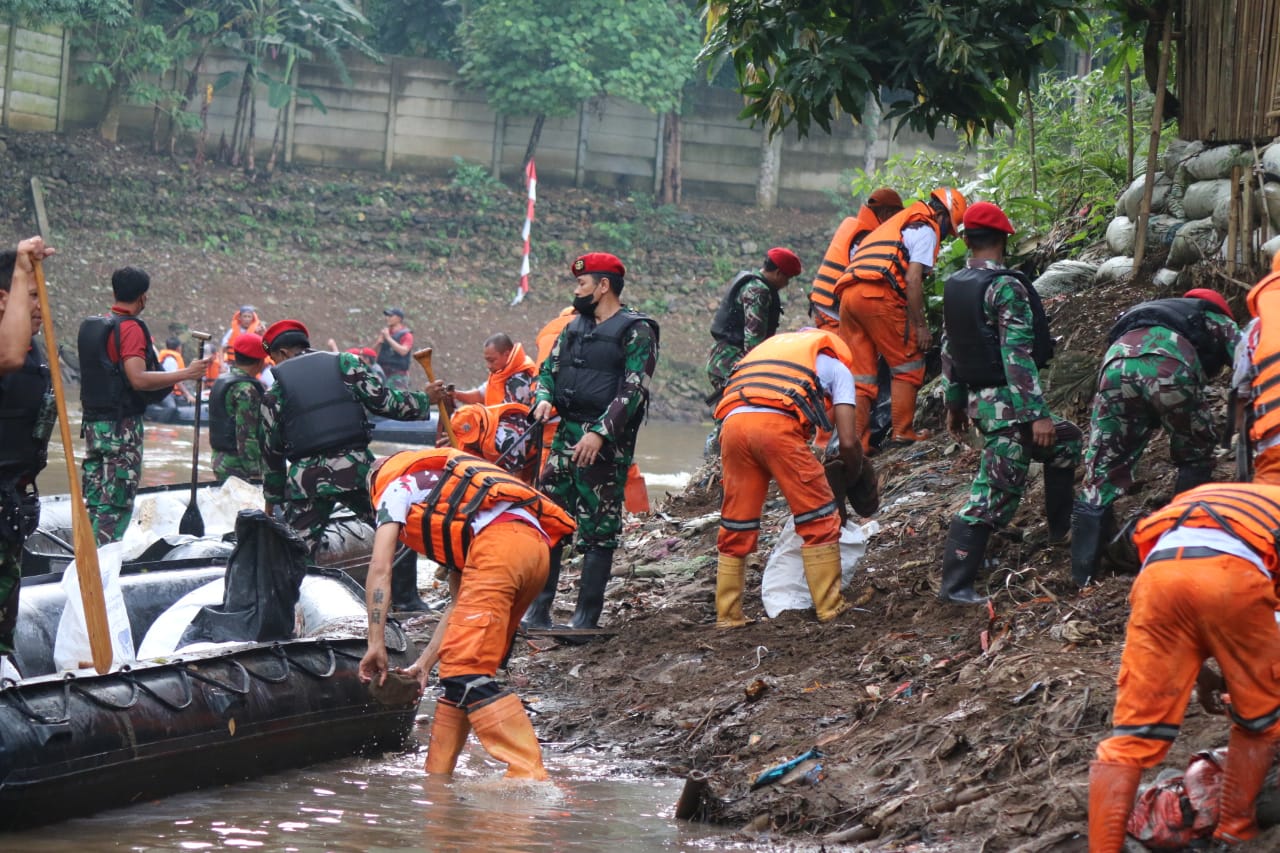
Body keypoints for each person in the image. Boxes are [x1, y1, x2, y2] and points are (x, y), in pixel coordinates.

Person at [359, 448, 575, 780]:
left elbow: (379, 568)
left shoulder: (395, 488)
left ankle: (530, 776)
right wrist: (425, 665)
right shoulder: (457, 491)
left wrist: (375, 642)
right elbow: (460, 604)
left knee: (464, 671)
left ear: (375, 481)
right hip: (535, 553)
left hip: (500, 550)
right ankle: (437, 777)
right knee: (461, 675)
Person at [1088, 483, 1280, 850]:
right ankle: (1234, 831)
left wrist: (1204, 673)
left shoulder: (1213, 494)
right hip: (1234, 578)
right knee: (1259, 718)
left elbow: (1186, 592)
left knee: (1129, 739)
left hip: (1158, 581)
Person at [938, 202, 1080, 605]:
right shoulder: (1005, 287)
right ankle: (955, 588)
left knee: (1067, 441)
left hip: (982, 403)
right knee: (994, 494)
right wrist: (1036, 416)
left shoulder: (956, 284)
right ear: (1004, 240)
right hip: (1009, 409)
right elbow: (1015, 355)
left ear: (966, 240)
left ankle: (1060, 532)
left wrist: (953, 404)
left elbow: (949, 351)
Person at [259, 319, 441, 610]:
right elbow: (384, 402)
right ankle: (406, 602)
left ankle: (289, 611)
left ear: (279, 354)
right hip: (356, 472)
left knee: (294, 550)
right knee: (399, 528)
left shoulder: (274, 393)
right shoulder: (344, 364)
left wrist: (272, 501)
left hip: (307, 481)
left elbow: (272, 453)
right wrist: (425, 400)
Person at [1070, 288, 1238, 587]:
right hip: (1168, 369)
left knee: (1102, 469)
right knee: (1196, 454)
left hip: (1114, 370)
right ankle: (1184, 543)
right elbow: (1248, 361)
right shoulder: (1213, 316)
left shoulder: (1152, 312)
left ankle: (1082, 575)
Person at [527, 253, 659, 631]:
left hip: (606, 444)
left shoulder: (637, 330)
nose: (576, 290)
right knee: (548, 518)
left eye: (582, 284)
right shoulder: (573, 326)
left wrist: (600, 433)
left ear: (604, 286)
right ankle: (537, 611)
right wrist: (543, 398)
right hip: (564, 436)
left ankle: (585, 619)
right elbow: (549, 369)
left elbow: (633, 390)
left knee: (599, 529)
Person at [712, 328, 864, 626]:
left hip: (732, 427)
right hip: (775, 428)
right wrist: (854, 470)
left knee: (737, 520)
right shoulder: (836, 368)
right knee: (819, 517)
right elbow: (847, 441)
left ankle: (728, 615)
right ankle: (830, 606)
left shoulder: (767, 355)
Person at [78, 267, 210, 542]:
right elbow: (137, 379)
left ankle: (86, 561)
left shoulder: (96, 325)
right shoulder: (130, 329)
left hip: (93, 425)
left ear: (114, 292)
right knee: (116, 502)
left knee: (95, 497)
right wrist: (188, 373)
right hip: (121, 427)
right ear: (143, 298)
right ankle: (100, 569)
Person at [834, 187, 968, 450]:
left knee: (861, 376)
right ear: (941, 214)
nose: (946, 233)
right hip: (876, 295)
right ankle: (903, 432)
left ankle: (856, 444)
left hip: (848, 297)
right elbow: (913, 279)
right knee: (908, 362)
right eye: (949, 227)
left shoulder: (894, 225)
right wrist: (920, 327)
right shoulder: (925, 228)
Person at [0, 237, 57, 676]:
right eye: (33, 296)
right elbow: (8, 355)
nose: (42, 305)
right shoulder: (11, 349)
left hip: (13, 503)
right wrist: (21, 270)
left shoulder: (38, 348)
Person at [705, 247, 802, 405]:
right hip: (731, 362)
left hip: (725, 358)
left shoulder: (752, 281)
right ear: (778, 273)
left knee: (731, 414)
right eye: (787, 278)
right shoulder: (758, 291)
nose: (786, 284)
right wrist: (758, 372)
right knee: (733, 414)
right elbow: (753, 339)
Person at [808, 188, 903, 324]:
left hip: (824, 303)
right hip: (832, 309)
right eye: (896, 216)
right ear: (887, 213)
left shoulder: (856, 228)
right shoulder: (866, 238)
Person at [1230, 253, 1280, 483]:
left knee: (1268, 514)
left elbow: (1241, 390)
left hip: (1275, 443)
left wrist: (1239, 437)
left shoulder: (1257, 329)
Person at [209, 332, 268, 482]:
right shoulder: (246, 389)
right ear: (260, 362)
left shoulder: (222, 380)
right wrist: (255, 471)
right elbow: (246, 436)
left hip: (220, 460)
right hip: (238, 466)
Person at [449, 402, 538, 482]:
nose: (471, 444)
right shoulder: (465, 443)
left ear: (482, 424)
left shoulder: (506, 439)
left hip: (538, 453)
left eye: (474, 436)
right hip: (515, 464)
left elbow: (517, 480)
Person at [451, 333, 537, 407]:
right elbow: (480, 395)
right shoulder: (501, 374)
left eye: (492, 360)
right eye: (487, 360)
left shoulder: (520, 379)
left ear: (507, 354)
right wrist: (456, 394)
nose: (488, 366)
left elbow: (515, 417)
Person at [374, 307, 414, 390]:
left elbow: (403, 351)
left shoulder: (406, 335)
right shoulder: (385, 332)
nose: (387, 318)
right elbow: (373, 354)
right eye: (387, 316)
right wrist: (379, 342)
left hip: (398, 374)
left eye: (390, 316)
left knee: (397, 399)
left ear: (399, 318)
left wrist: (388, 338)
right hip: (382, 372)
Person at [156, 336, 197, 408]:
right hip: (166, 392)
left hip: (174, 392)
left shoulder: (172, 358)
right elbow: (177, 380)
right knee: (171, 408)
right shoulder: (170, 360)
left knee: (190, 403)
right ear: (178, 348)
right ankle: (160, 419)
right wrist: (187, 395)